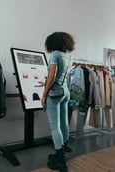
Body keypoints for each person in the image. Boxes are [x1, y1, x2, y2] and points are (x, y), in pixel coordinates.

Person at [41, 32, 75, 172]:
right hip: (65, 91)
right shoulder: (68, 55)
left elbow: (52, 75)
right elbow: (62, 75)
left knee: (55, 126)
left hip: (54, 93)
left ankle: (60, 161)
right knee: (64, 122)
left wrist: (44, 93)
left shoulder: (55, 55)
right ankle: (64, 147)